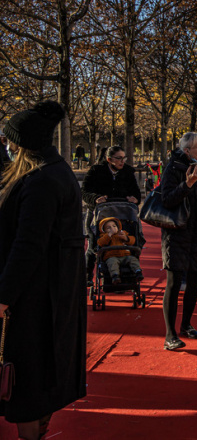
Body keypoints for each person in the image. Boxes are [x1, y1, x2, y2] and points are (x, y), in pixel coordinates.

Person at [0, 101, 86, 439]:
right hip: (50, 289)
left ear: (22, 145)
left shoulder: (40, 180)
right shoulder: (54, 171)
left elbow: (28, 245)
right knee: (41, 377)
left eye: (9, 140)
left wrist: (4, 296)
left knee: (28, 380)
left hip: (35, 296)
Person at [160, 132, 197, 350]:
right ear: (187, 151)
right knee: (174, 283)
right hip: (177, 232)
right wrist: (187, 183)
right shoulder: (174, 168)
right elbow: (167, 200)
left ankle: (186, 325)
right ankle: (170, 335)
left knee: (194, 281)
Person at [81, 146, 141, 284]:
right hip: (98, 213)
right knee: (94, 245)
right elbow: (84, 191)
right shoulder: (96, 171)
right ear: (109, 159)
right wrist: (95, 198)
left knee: (124, 241)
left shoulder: (128, 172)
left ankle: (127, 275)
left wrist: (135, 199)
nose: (122, 161)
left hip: (121, 213)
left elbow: (136, 192)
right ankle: (87, 274)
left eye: (124, 158)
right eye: (118, 158)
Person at [97, 217, 143, 284]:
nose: (112, 229)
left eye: (114, 226)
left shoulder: (123, 233)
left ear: (118, 227)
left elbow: (132, 241)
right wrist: (108, 235)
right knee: (112, 263)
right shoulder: (104, 236)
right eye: (108, 228)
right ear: (104, 230)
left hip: (125, 255)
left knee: (133, 259)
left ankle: (138, 272)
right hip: (112, 256)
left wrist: (126, 238)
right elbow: (100, 243)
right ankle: (115, 276)